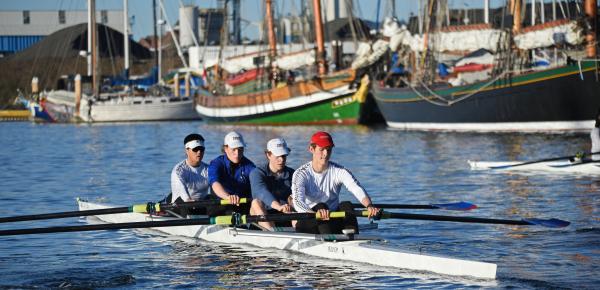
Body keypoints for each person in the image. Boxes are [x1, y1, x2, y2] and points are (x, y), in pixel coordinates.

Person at [291, 131, 379, 234]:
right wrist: (315, 213)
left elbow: (355, 188)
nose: (326, 153)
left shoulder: (339, 171)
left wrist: (369, 206)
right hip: (309, 220)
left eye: (328, 149)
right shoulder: (301, 174)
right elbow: (298, 202)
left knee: (347, 205)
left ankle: (353, 239)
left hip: (331, 219)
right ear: (311, 149)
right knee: (321, 206)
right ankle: (328, 242)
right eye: (322, 149)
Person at [249, 138, 295, 231]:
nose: (281, 160)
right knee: (256, 203)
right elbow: (262, 192)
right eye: (277, 156)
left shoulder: (293, 173)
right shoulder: (257, 173)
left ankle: (300, 231)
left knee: (295, 200)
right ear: (268, 155)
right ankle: (273, 234)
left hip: (286, 216)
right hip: (263, 218)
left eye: (283, 156)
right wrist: (279, 207)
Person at [208, 131, 255, 216]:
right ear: (226, 149)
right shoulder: (216, 163)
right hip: (220, 204)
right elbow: (215, 183)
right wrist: (227, 197)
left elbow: (259, 184)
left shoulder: (250, 166)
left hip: (242, 205)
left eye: (240, 149)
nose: (237, 154)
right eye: (233, 149)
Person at [169, 133, 209, 215]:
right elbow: (182, 192)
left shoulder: (208, 169)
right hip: (181, 205)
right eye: (195, 149)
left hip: (200, 204)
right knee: (186, 206)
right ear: (186, 150)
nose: (199, 152)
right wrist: (188, 200)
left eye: (201, 149)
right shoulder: (179, 170)